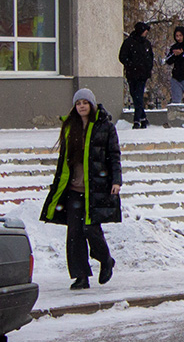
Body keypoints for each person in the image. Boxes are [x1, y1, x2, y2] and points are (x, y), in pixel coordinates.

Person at [40, 89, 122, 290]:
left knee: (91, 229)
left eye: (85, 103)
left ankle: (106, 259)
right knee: (75, 234)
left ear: (92, 104)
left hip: (96, 188)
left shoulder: (105, 127)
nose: (82, 106)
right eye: (78, 103)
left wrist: (116, 180)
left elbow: (114, 155)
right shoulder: (70, 127)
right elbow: (63, 160)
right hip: (74, 189)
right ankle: (81, 276)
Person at [118, 22, 154, 128]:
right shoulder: (129, 42)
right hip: (132, 73)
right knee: (135, 95)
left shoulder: (146, 43)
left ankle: (137, 120)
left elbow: (150, 58)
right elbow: (122, 56)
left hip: (142, 74)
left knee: (138, 95)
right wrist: (131, 64)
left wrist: (148, 69)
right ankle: (143, 118)